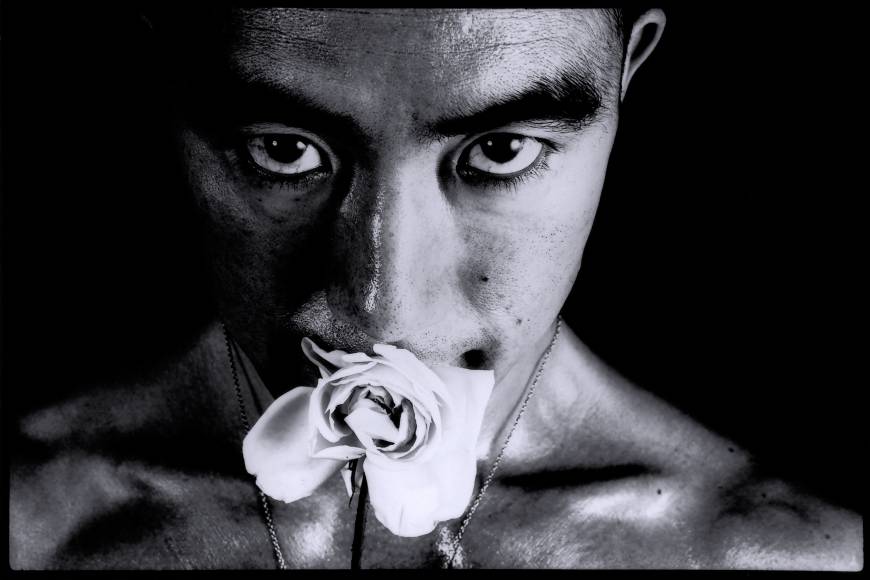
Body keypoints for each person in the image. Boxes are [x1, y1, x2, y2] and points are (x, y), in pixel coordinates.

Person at [8, 8, 862, 570]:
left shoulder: (784, 556)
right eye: (284, 150)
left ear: (625, 71)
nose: (383, 314)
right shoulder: (32, 527)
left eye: (500, 151)